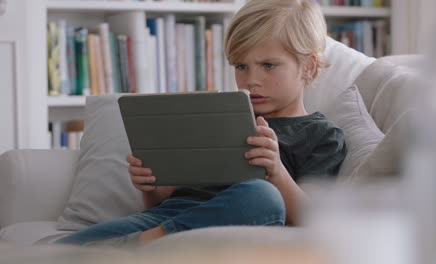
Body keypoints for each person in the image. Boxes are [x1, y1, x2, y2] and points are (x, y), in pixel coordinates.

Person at [55, 0, 347, 247]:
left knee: (262, 195)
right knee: (56, 250)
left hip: (240, 222)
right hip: (165, 220)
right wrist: (151, 186)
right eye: (241, 66)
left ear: (307, 67)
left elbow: (313, 219)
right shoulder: (221, 116)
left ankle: (144, 247)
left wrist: (276, 172)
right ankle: (145, 246)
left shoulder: (321, 134)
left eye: (268, 65)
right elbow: (166, 203)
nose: (251, 79)